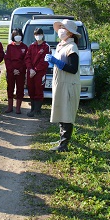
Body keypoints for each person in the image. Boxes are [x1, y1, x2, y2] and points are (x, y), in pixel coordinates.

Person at [46, 19, 81, 152]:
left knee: (67, 113)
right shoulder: (62, 45)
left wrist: (57, 62)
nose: (60, 29)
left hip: (69, 84)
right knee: (61, 111)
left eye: (63, 28)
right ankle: (62, 139)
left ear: (70, 33)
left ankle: (64, 145)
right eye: (60, 27)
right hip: (61, 83)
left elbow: (73, 68)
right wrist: (53, 62)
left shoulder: (72, 47)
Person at [25, 28, 50, 117]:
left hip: (40, 72)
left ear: (42, 35)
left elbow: (44, 61)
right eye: (36, 34)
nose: (38, 36)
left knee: (39, 90)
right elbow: (27, 58)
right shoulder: (31, 46)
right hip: (30, 72)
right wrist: (30, 69)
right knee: (31, 89)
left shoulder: (46, 47)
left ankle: (37, 110)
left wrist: (35, 70)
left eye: (39, 34)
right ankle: (33, 109)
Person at [4, 28, 28, 114]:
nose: (18, 37)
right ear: (13, 36)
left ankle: (18, 108)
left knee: (20, 89)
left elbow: (25, 60)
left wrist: (20, 70)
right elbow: (7, 59)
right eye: (16, 35)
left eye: (19, 35)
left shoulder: (25, 47)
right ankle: (10, 107)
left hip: (20, 72)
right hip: (11, 71)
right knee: (10, 88)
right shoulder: (10, 46)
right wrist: (12, 69)